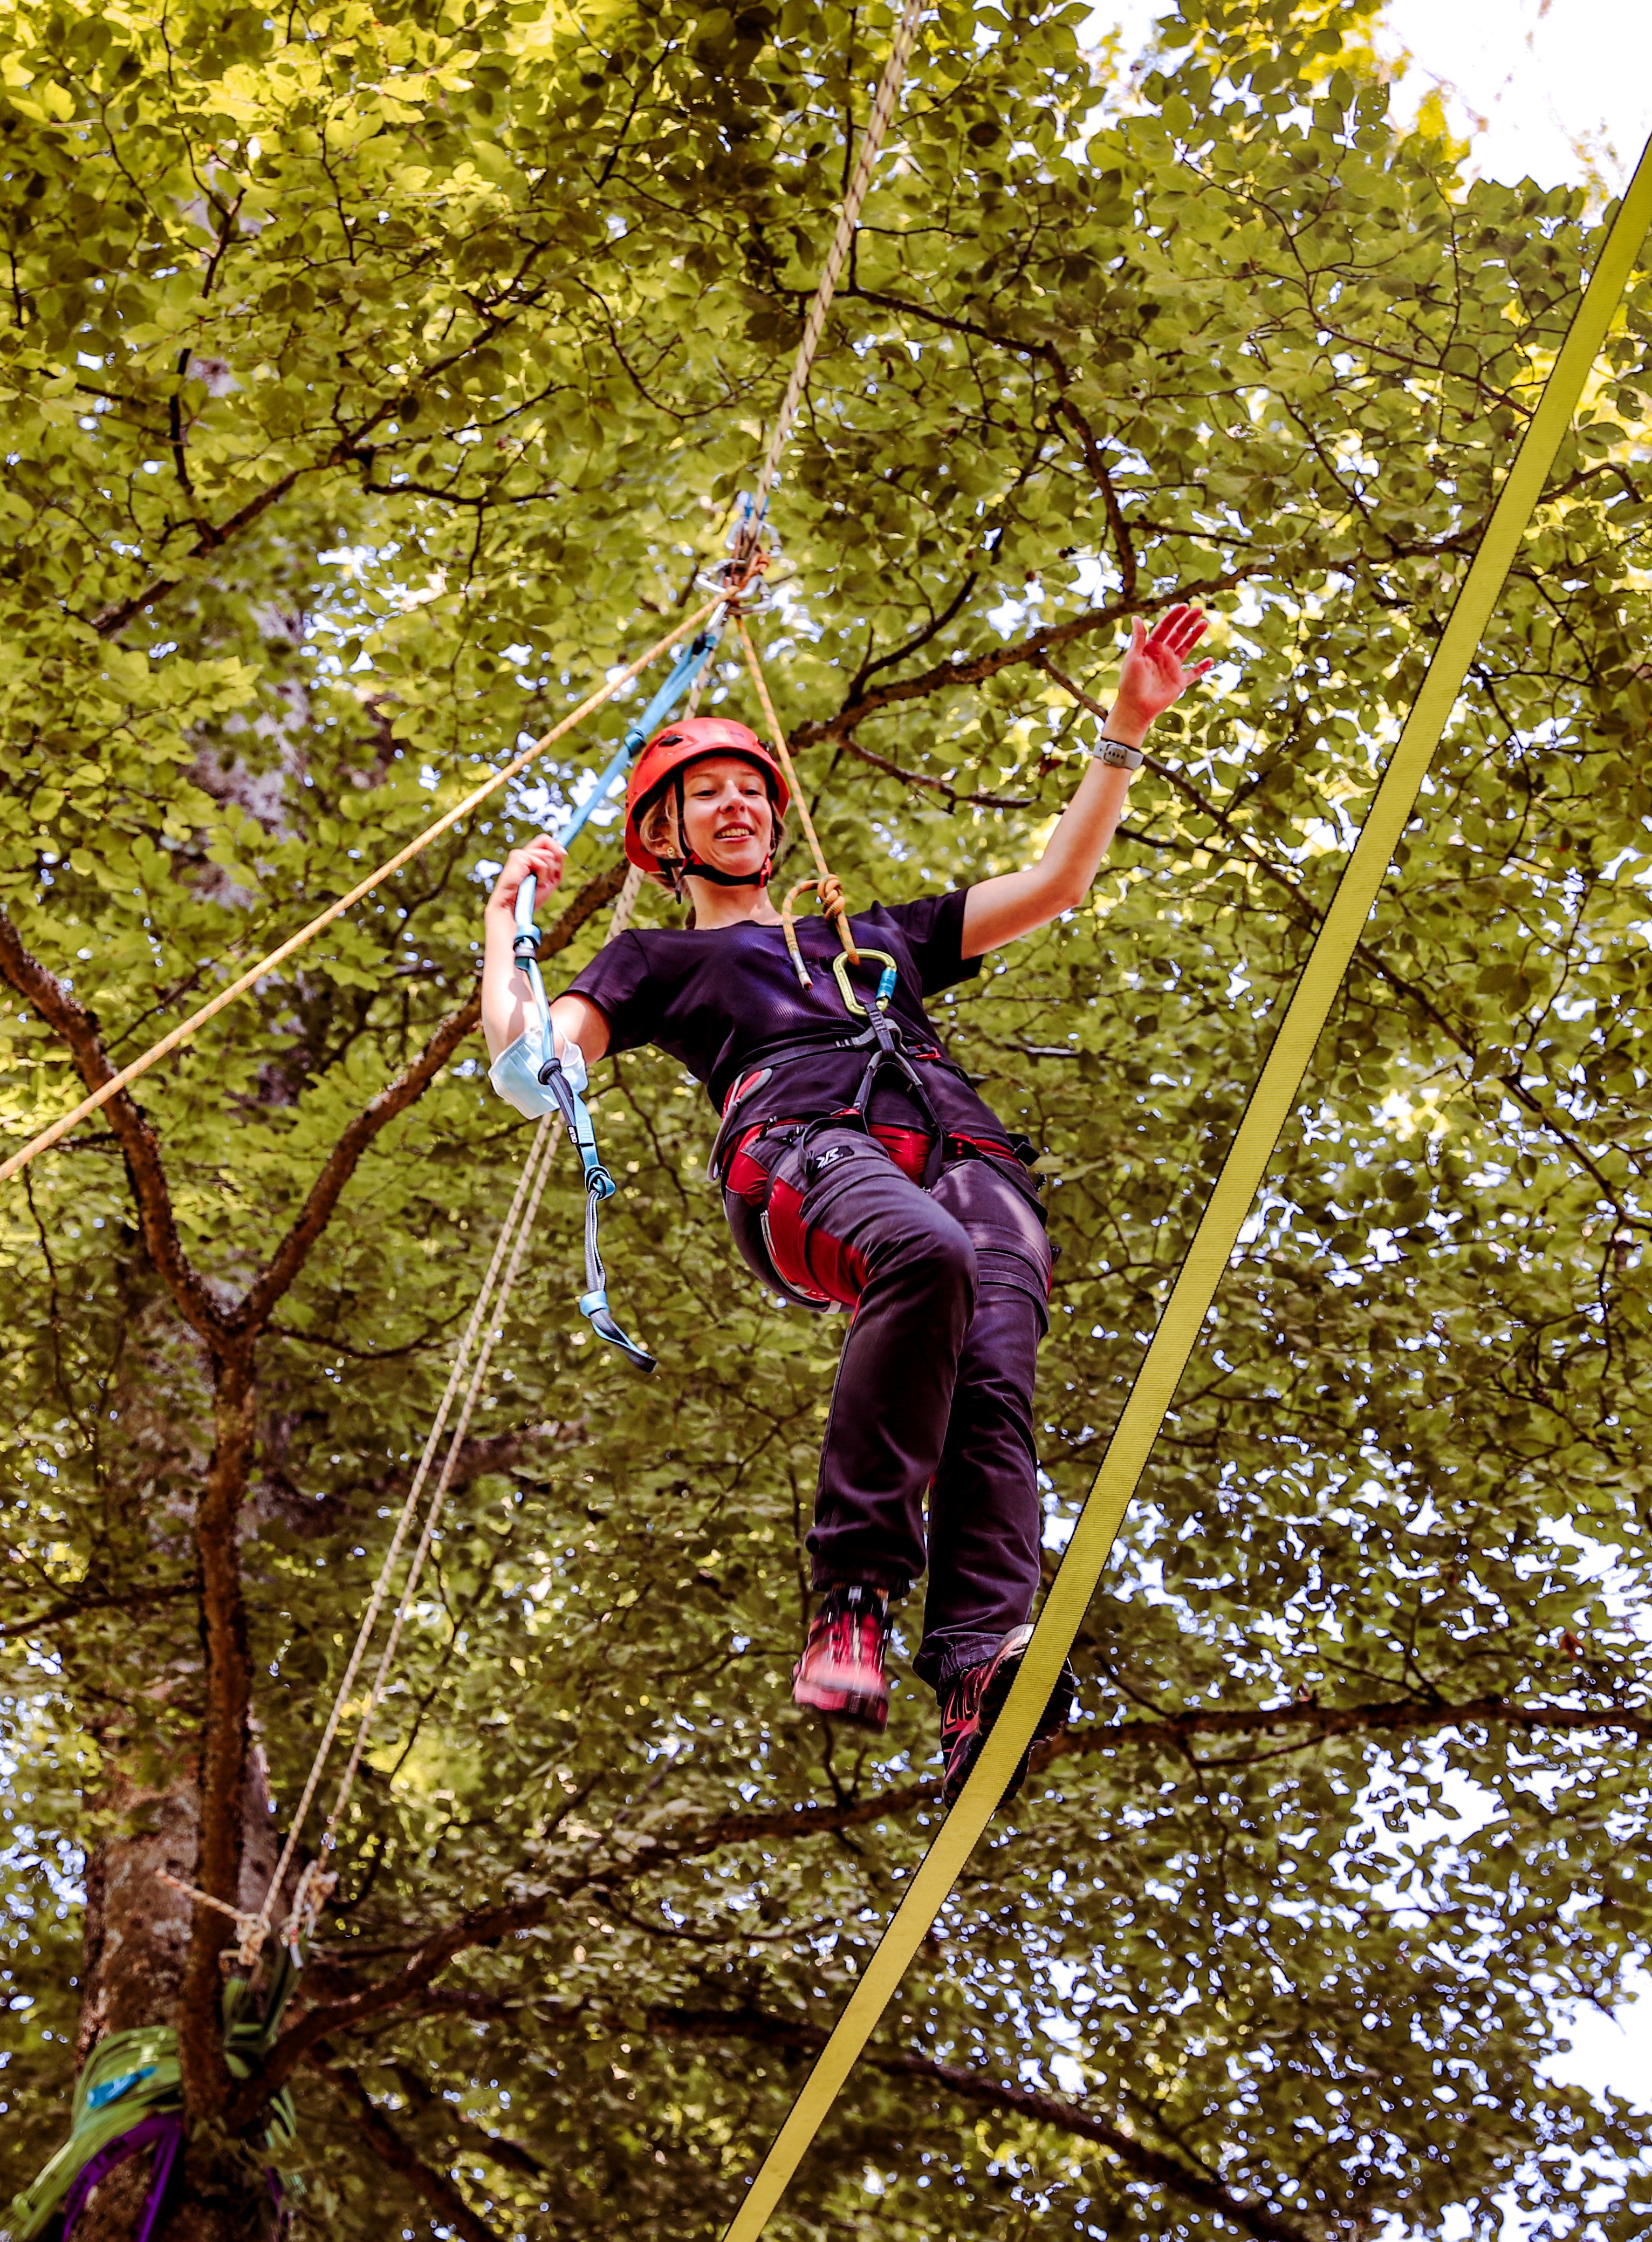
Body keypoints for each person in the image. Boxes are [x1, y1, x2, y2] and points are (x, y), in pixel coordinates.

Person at [481, 603, 1214, 1801]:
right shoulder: (657, 963)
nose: (740, 807)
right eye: (706, 796)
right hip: (801, 1150)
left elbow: (1058, 881)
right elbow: (531, 1070)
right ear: (663, 841)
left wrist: (1126, 728)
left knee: (991, 1387)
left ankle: (982, 1660)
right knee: (923, 1257)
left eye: (752, 792)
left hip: (968, 1154)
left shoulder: (874, 939)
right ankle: (856, 1596)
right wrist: (503, 921)